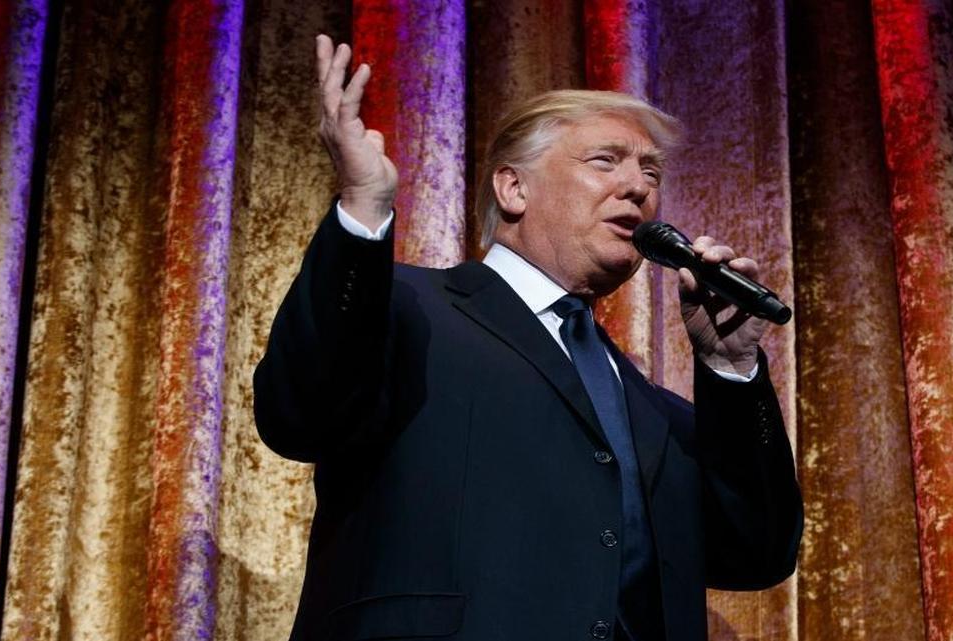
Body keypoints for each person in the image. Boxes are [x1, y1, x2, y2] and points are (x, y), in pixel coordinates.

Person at [253, 35, 803, 641]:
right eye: (605, 161)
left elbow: (757, 551)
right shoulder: (410, 310)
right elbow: (300, 416)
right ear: (513, 188)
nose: (639, 187)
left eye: (651, 171)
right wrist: (362, 207)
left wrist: (732, 368)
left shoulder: (641, 404)